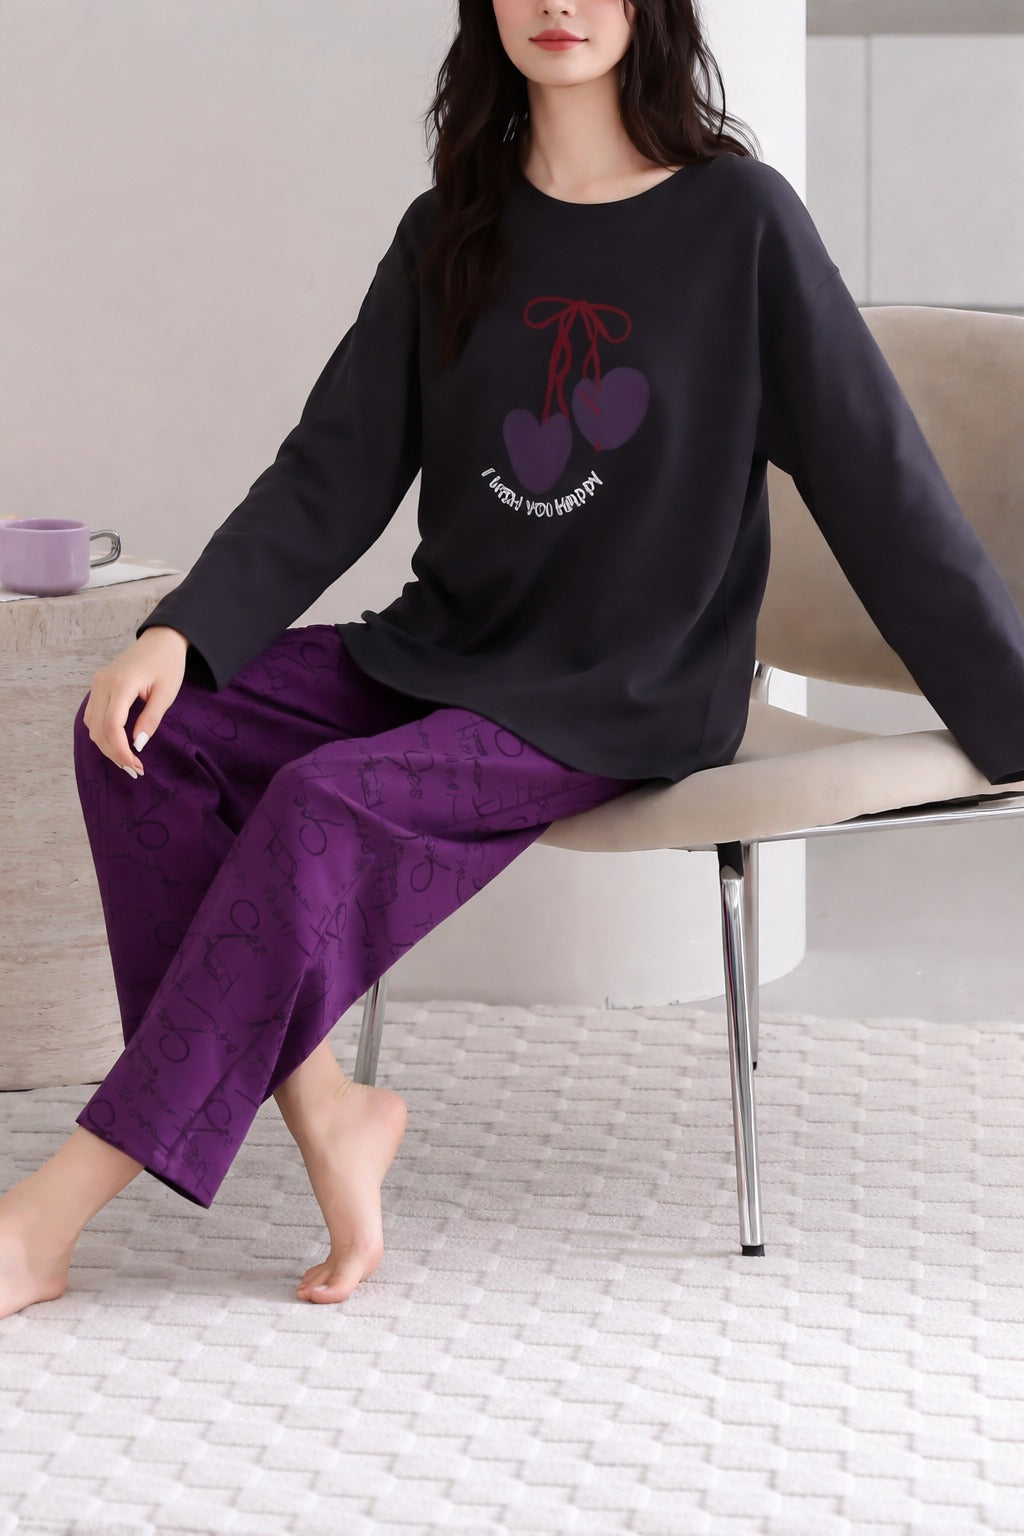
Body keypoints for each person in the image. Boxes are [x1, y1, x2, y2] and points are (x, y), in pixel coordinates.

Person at [3, 0, 1024, 1323]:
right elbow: (331, 471)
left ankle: (47, 1217)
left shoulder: (740, 223)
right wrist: (179, 634)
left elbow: (880, 485)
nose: (558, 4)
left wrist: (1010, 711)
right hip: (451, 646)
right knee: (146, 737)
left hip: (627, 687)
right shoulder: (453, 228)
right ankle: (328, 1107)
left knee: (321, 805)